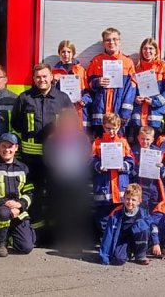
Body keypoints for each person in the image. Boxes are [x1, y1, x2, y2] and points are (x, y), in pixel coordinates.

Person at [12, 63, 72, 232]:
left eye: (45, 76)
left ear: (51, 77)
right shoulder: (24, 98)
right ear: (34, 79)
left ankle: (54, 232)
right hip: (31, 158)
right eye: (38, 77)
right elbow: (15, 123)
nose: (42, 80)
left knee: (56, 192)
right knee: (34, 193)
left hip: (56, 157)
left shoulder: (62, 98)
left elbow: (71, 123)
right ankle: (36, 231)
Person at [0, 133, 36, 257]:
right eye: (4, 146)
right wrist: (4, 203)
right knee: (3, 213)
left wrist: (20, 206)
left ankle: (9, 235)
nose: (7, 150)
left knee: (26, 248)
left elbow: (29, 192)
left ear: (16, 148)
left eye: (10, 147)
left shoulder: (23, 168)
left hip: (18, 211)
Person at [44, 108, 93, 253]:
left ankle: (76, 240)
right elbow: (47, 158)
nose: (67, 123)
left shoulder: (82, 138)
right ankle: (64, 240)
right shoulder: (52, 138)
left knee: (78, 210)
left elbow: (88, 157)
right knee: (62, 211)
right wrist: (57, 164)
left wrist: (79, 165)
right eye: (64, 120)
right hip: (60, 179)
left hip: (77, 179)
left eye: (70, 120)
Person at [86, 27, 137, 136]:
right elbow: (88, 83)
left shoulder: (127, 62)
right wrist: (97, 82)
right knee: (100, 146)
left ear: (119, 42)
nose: (111, 42)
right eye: (108, 40)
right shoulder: (96, 61)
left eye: (115, 39)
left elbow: (131, 90)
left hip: (118, 115)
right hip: (100, 114)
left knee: (119, 147)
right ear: (103, 43)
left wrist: (125, 114)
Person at [90, 113, 135, 232]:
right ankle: (105, 243)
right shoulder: (97, 143)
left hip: (120, 189)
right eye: (108, 128)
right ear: (103, 127)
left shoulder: (123, 142)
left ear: (119, 127)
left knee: (120, 219)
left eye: (114, 128)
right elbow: (90, 161)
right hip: (104, 189)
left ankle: (115, 244)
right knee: (102, 220)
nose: (111, 131)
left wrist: (124, 166)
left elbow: (131, 160)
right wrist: (99, 166)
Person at [99, 184, 155, 266]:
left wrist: (156, 243)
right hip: (123, 240)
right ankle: (129, 252)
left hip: (138, 238)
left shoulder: (143, 212)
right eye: (128, 199)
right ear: (124, 198)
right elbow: (108, 234)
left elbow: (153, 226)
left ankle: (140, 255)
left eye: (133, 200)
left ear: (139, 201)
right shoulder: (115, 213)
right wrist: (104, 256)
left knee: (143, 226)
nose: (130, 202)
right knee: (119, 260)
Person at [129, 38, 165, 140]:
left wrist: (154, 101)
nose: (147, 51)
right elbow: (130, 90)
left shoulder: (163, 67)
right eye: (145, 48)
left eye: (151, 48)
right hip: (138, 117)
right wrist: (135, 99)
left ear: (156, 51)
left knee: (154, 147)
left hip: (155, 116)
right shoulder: (137, 68)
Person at [52, 40, 92, 129]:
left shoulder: (81, 70)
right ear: (59, 53)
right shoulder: (54, 72)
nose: (66, 54)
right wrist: (53, 82)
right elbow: (49, 94)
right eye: (63, 52)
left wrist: (84, 100)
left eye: (69, 52)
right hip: (62, 110)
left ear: (73, 53)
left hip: (79, 110)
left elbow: (88, 92)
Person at [134, 125, 165, 210]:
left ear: (152, 140)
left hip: (154, 185)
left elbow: (162, 172)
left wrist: (161, 167)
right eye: (142, 139)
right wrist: (138, 167)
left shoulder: (157, 151)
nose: (145, 142)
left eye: (147, 139)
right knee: (142, 208)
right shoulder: (134, 151)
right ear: (138, 138)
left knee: (155, 207)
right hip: (140, 185)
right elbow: (131, 171)